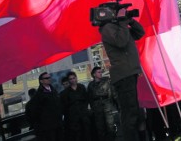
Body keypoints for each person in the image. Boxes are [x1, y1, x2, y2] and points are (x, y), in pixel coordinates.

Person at [98, 9, 146, 141]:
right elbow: (121, 42)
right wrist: (123, 23)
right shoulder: (107, 28)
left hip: (132, 73)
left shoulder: (120, 27)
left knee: (139, 113)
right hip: (123, 76)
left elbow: (140, 33)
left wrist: (130, 21)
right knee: (130, 114)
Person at [30, 72, 64, 141]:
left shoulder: (53, 90)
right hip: (48, 126)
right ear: (41, 81)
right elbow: (35, 111)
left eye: (49, 77)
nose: (49, 79)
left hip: (58, 123)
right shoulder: (39, 95)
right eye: (46, 78)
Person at [87, 66, 118, 141]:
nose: (101, 73)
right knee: (100, 127)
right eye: (99, 72)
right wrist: (92, 108)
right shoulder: (91, 85)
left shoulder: (106, 80)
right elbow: (89, 97)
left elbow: (113, 92)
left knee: (110, 125)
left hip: (107, 103)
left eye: (101, 72)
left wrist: (116, 103)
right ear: (94, 74)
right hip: (97, 106)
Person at [60, 71, 92, 141]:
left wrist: (85, 109)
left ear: (76, 78)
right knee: (78, 135)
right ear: (69, 80)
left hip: (84, 115)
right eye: (70, 79)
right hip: (73, 118)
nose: (72, 80)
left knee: (87, 133)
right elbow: (64, 106)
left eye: (73, 78)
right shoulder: (65, 92)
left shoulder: (82, 87)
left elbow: (86, 99)